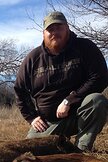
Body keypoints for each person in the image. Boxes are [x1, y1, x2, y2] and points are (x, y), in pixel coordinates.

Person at [14, 11, 108, 151]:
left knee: (97, 101)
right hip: (49, 122)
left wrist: (69, 100)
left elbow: (100, 77)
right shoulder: (33, 58)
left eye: (59, 27)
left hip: (79, 114)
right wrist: (32, 117)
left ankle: (81, 149)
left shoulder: (85, 47)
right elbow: (19, 90)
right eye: (50, 29)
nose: (55, 32)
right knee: (29, 154)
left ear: (67, 28)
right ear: (43, 33)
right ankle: (62, 146)